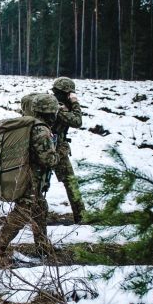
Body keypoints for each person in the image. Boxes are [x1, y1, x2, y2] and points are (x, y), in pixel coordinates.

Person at [0, 93, 59, 265]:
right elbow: (48, 159)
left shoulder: (32, 125)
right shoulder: (41, 130)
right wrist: (61, 152)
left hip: (28, 177)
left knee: (40, 209)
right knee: (21, 214)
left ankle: (43, 248)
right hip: (30, 180)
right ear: (50, 111)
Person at [50, 77, 85, 223]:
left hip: (42, 148)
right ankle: (82, 217)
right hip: (56, 150)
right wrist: (75, 102)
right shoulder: (59, 107)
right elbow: (77, 121)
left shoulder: (49, 104)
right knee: (71, 183)